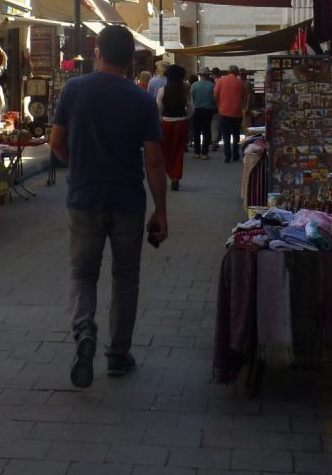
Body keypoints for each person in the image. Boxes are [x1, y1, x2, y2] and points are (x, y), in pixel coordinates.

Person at [50, 24, 168, 387]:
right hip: (127, 202)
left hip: (84, 199)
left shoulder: (74, 90)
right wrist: (160, 210)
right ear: (132, 58)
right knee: (125, 277)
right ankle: (118, 354)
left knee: (82, 273)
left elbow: (55, 142)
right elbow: (154, 161)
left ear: (98, 51)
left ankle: (84, 331)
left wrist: (80, 166)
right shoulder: (143, 100)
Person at [156, 64, 191, 191]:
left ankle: (170, 173)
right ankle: (176, 176)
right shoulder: (184, 90)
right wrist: (186, 117)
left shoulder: (163, 90)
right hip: (181, 122)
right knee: (179, 150)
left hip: (167, 122)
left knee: (166, 150)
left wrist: (162, 119)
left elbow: (158, 108)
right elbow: (191, 107)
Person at [215, 65, 247, 163]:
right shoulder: (240, 83)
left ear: (228, 71)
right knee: (236, 134)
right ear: (237, 72)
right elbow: (244, 97)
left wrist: (218, 105)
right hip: (237, 112)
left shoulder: (221, 81)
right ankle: (236, 154)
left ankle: (227, 156)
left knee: (226, 135)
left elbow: (215, 94)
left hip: (224, 111)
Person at [189, 71, 217, 159]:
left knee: (196, 131)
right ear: (208, 75)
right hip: (208, 110)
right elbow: (215, 98)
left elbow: (191, 98)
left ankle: (197, 152)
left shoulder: (194, 85)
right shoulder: (212, 85)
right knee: (206, 131)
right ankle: (205, 153)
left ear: (200, 75)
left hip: (197, 109)